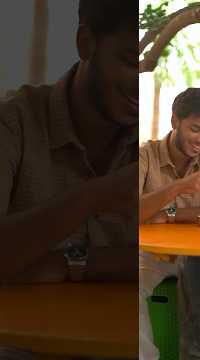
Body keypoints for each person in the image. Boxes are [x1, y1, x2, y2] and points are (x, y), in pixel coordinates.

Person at [0, 0, 138, 358]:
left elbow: (171, 260)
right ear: (85, 43)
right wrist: (93, 197)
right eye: (131, 60)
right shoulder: (14, 122)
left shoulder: (153, 142)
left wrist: (70, 263)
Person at [138, 87, 200, 360]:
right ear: (174, 121)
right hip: (151, 255)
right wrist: (178, 187)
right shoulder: (144, 156)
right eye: (195, 129)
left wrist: (170, 214)